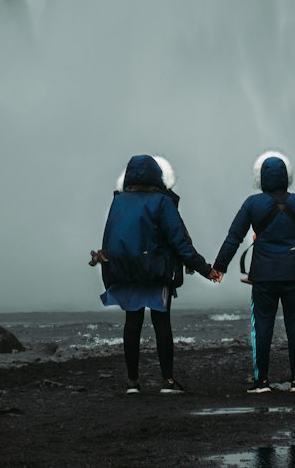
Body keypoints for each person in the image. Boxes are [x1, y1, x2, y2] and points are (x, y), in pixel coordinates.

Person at [90, 153, 218, 394]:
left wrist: (110, 274)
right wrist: (205, 270)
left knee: (132, 324)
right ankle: (167, 381)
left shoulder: (118, 202)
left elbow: (108, 238)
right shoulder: (162, 202)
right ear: (157, 176)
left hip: (126, 272)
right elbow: (179, 242)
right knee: (162, 324)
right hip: (156, 272)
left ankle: (132, 383)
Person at [212, 150, 295, 394]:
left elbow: (234, 238)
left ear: (261, 179)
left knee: (261, 326)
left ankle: (261, 382)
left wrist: (219, 267)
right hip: (294, 275)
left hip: (262, 276)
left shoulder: (252, 204)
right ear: (286, 177)